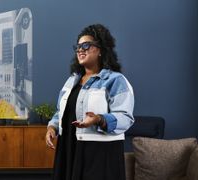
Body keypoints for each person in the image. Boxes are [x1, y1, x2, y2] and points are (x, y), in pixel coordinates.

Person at [46, 24, 134, 180]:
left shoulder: (115, 80)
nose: (80, 49)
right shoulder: (72, 81)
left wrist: (99, 119)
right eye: (78, 46)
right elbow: (61, 111)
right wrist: (52, 127)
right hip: (69, 147)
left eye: (86, 45)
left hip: (99, 152)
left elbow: (125, 117)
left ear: (100, 50)